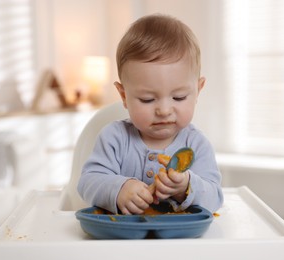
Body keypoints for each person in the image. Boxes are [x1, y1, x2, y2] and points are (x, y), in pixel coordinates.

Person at [78, 14, 223, 215]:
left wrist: (186, 187)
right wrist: (119, 188)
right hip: (121, 241)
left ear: (198, 91)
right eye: (147, 99)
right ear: (124, 96)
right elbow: (87, 182)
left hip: (179, 242)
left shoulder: (196, 145)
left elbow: (215, 197)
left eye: (179, 97)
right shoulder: (114, 138)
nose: (164, 110)